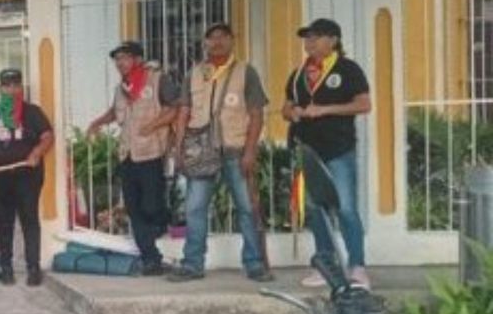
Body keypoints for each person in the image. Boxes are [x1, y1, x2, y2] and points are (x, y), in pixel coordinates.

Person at [169, 23, 274, 283]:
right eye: (211, 38)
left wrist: (250, 151)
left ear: (232, 40)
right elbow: (183, 112)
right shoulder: (194, 73)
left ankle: (254, 264)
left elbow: (257, 114)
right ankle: (192, 264)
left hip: (235, 150)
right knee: (194, 209)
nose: (217, 42)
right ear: (205, 43)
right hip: (201, 152)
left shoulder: (246, 72)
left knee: (247, 208)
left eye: (222, 37)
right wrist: (178, 148)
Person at [283, 18, 372, 288]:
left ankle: (357, 267)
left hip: (338, 150)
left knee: (346, 208)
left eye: (316, 37)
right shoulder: (299, 74)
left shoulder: (348, 69)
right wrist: (293, 112)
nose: (309, 42)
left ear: (333, 40)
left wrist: (325, 109)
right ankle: (325, 265)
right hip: (308, 151)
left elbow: (364, 104)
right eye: (307, 38)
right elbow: (286, 107)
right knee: (316, 210)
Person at [86, 41, 180, 276]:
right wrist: (98, 122)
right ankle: (151, 259)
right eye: (117, 59)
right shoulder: (121, 89)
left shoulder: (158, 80)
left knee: (151, 206)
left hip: (151, 152)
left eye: (124, 58)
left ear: (138, 60)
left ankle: (164, 218)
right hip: (127, 155)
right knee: (133, 208)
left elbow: (176, 108)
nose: (120, 63)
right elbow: (114, 111)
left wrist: (154, 125)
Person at [0, 68, 55, 286]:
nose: (12, 90)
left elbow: (47, 135)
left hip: (27, 177)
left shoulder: (32, 112)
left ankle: (33, 267)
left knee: (29, 220)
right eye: (7, 85)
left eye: (16, 85)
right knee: (4, 222)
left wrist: (36, 152)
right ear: (0, 89)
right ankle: (6, 267)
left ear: (21, 88)